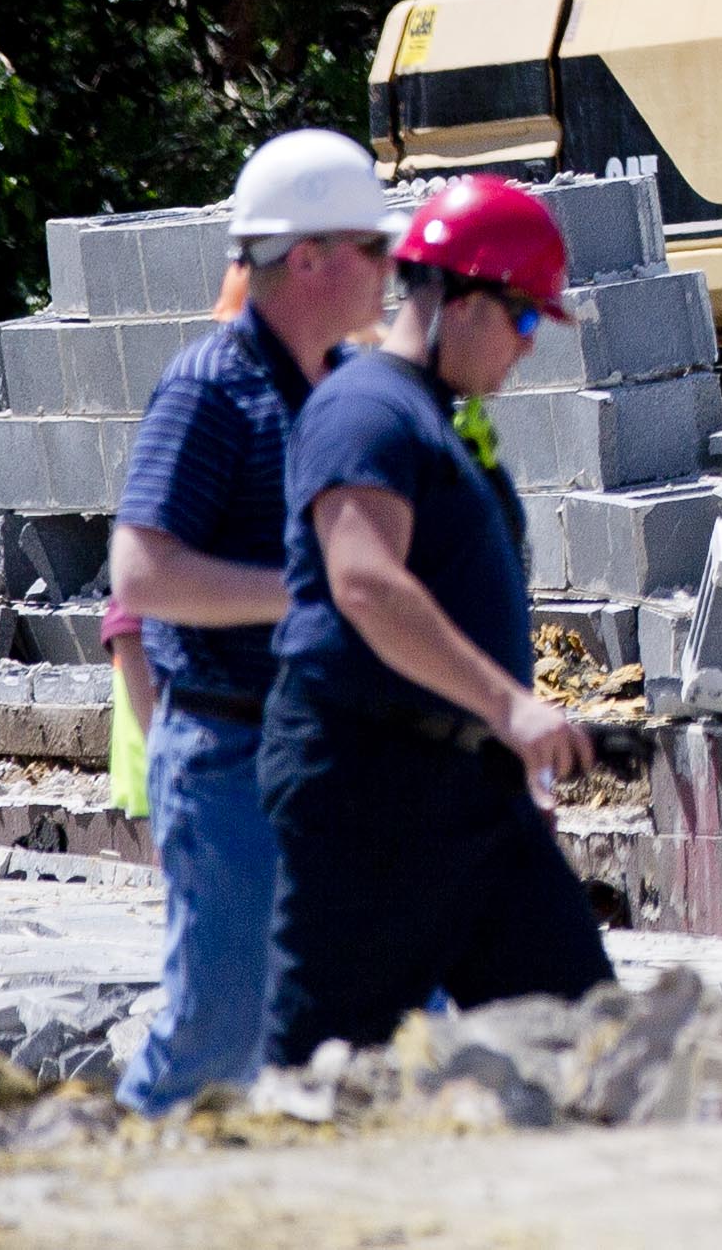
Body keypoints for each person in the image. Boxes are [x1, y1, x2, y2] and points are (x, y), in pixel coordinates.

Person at [259, 174, 611, 1064]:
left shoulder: (435, 418)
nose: (530, 345)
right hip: (371, 793)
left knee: (588, 1046)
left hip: (471, 797)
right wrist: (511, 709)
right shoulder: (364, 409)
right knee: (328, 1071)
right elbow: (366, 583)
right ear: (461, 298)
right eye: (525, 317)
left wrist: (507, 752)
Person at [105, 127, 396, 1114]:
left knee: (401, 1012)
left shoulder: (352, 386)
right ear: (308, 256)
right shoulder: (210, 386)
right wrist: (308, 587)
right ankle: (113, 1193)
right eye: (375, 248)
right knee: (217, 1029)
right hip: (232, 762)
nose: (392, 270)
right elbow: (141, 572)